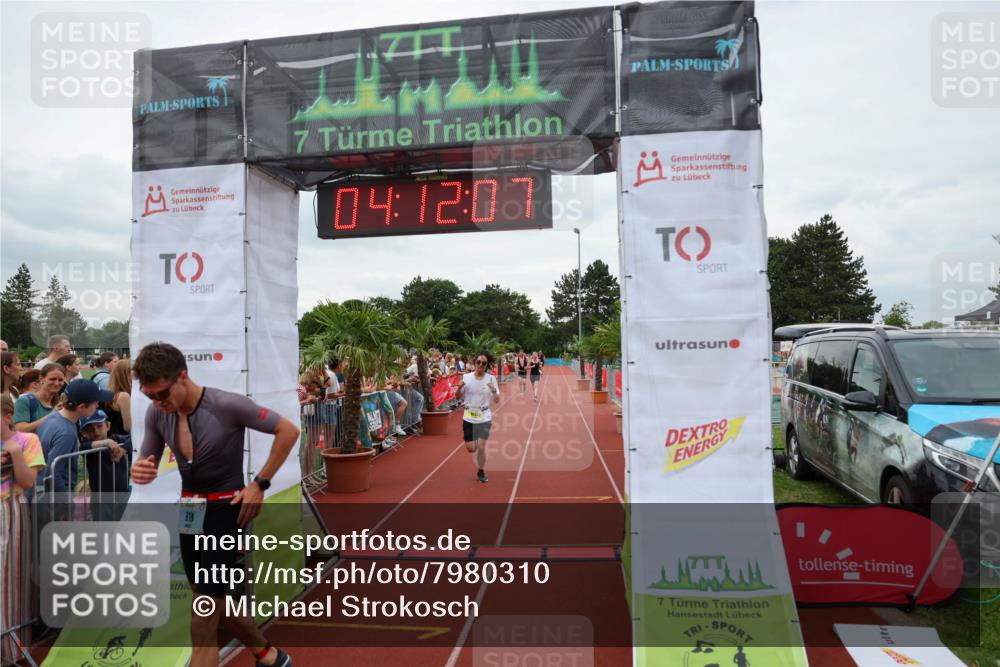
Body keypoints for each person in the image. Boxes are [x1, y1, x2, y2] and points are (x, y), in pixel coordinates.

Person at [130, 342, 298, 667]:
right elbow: (146, 460)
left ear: (182, 376)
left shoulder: (225, 404)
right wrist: (140, 469)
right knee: (218, 602)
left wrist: (259, 484)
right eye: (150, 396)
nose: (157, 402)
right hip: (190, 515)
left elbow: (287, 430)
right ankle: (269, 655)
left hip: (227, 514)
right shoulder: (157, 414)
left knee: (203, 612)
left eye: (162, 394)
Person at [0, 394, 45, 665]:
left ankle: (8, 648)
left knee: (8, 577)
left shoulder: (28, 441)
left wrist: (14, 453)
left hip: (9, 511)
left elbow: (28, 482)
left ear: (7, 417)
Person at [36, 379, 111, 524]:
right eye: (95, 402)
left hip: (42, 494)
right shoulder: (66, 432)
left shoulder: (52, 418)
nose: (97, 405)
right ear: (82, 407)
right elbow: (52, 472)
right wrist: (67, 502)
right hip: (52, 501)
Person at [78, 410, 132, 521]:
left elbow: (136, 438)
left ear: (108, 426)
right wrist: (105, 443)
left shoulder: (118, 440)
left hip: (123, 496)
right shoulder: (88, 447)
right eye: (90, 429)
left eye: (99, 426)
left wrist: (124, 448)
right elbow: (83, 447)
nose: (96, 431)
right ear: (84, 433)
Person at [455, 353, 500, 483]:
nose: (480, 365)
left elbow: (497, 400)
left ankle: (481, 470)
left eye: (483, 363)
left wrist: (493, 391)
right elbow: (457, 397)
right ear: (475, 363)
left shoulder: (491, 379)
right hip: (469, 416)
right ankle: (474, 446)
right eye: (478, 362)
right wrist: (459, 388)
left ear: (486, 366)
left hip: (484, 416)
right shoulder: (466, 377)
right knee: (471, 449)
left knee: (481, 446)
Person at [13, 363, 65, 433]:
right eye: (52, 379)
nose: (56, 383)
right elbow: (20, 430)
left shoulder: (59, 403)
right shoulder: (25, 401)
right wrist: (51, 416)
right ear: (41, 379)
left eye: (60, 380)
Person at [104, 358, 133, 435]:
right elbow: (128, 427)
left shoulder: (111, 392)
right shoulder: (124, 396)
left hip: (114, 437)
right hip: (122, 440)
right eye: (132, 372)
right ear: (125, 375)